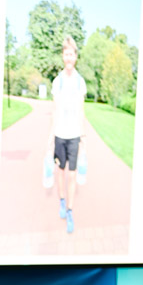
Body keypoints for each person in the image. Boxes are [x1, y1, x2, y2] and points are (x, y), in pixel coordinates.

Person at [47, 37, 87, 235]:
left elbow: (81, 110)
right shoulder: (58, 82)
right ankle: (62, 201)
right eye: (66, 54)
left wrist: (83, 137)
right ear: (63, 56)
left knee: (72, 174)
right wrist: (50, 138)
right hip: (60, 135)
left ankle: (70, 211)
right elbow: (54, 111)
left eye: (72, 54)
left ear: (75, 57)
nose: (69, 57)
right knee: (60, 172)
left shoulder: (80, 82)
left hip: (74, 136)